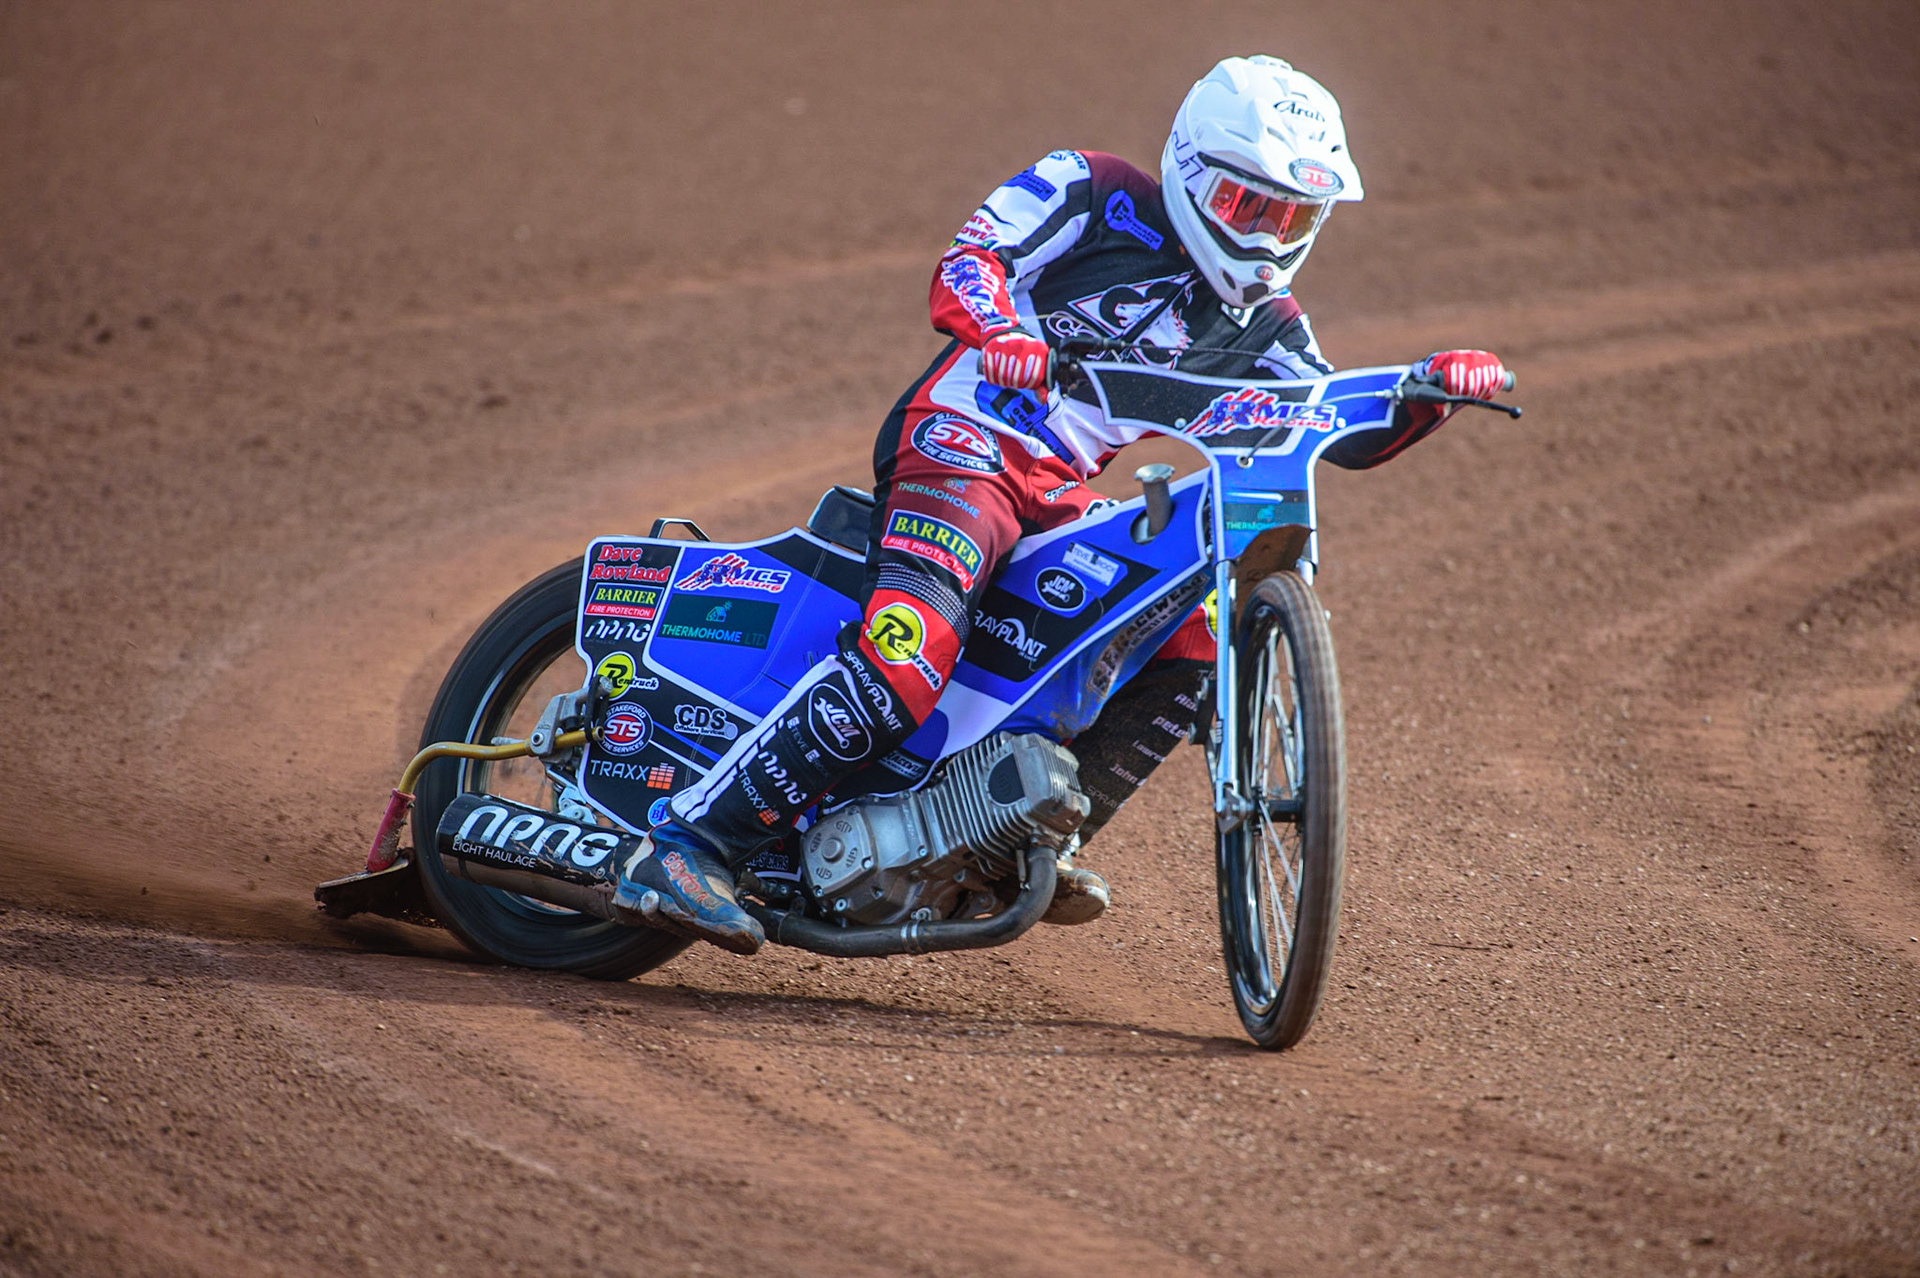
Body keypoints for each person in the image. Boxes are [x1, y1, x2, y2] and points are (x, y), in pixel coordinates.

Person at [615, 54, 1509, 954]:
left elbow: (1329, 428)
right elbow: (973, 257)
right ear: (1192, 170)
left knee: (1194, 631)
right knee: (908, 653)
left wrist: (1425, 396)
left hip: (1056, 493)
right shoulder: (1092, 189)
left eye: (1295, 217)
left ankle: (1032, 833)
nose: (1270, 238)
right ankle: (690, 845)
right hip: (961, 444)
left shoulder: (1270, 324)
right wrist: (1001, 330)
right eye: (1249, 206)